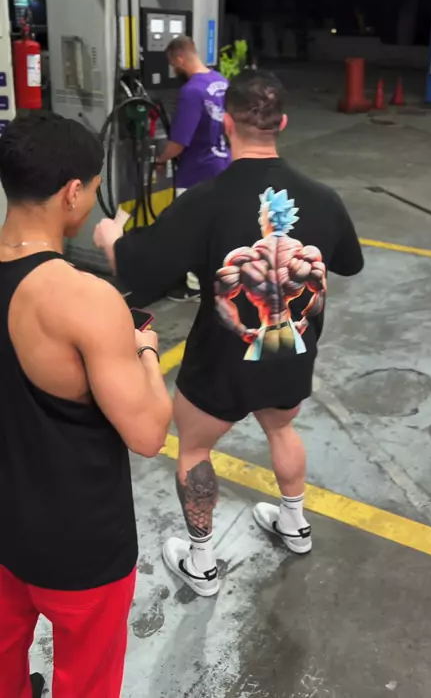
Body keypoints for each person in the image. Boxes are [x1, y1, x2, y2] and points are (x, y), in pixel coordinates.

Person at [94, 70, 364, 598]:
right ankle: (295, 523)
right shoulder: (325, 198)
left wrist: (111, 240)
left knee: (195, 450)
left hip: (221, 363)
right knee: (282, 430)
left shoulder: (205, 201)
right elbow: (348, 264)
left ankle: (201, 562)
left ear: (226, 123)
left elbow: (140, 273)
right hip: (291, 352)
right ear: (282, 124)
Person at [0, 113, 172, 698]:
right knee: (88, 682)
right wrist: (145, 351)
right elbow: (148, 434)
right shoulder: (83, 298)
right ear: (72, 192)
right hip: (80, 543)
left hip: (5, 528)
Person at [157, 35, 230, 302]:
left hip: (197, 171)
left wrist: (159, 159)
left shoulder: (191, 91)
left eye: (172, 64)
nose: (173, 70)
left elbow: (179, 142)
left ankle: (194, 285)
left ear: (179, 59)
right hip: (223, 164)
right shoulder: (221, 82)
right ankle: (217, 281)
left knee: (190, 230)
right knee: (215, 229)